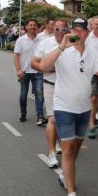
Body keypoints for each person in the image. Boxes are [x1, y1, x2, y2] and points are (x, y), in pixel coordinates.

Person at [38, 17, 98, 196]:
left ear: (87, 33)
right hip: (63, 107)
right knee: (68, 149)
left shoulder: (93, 53)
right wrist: (62, 46)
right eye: (75, 30)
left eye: (82, 30)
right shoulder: (63, 51)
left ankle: (64, 173)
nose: (79, 34)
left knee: (75, 149)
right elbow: (44, 66)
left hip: (83, 109)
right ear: (70, 32)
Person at [31, 19, 67, 168]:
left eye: (63, 29)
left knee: (63, 119)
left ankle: (61, 144)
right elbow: (34, 63)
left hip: (68, 87)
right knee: (52, 119)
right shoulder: (45, 43)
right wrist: (46, 68)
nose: (59, 31)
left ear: (67, 30)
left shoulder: (73, 42)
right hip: (50, 84)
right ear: (52, 29)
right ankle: (52, 153)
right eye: (56, 28)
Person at [13, 19, 45, 124]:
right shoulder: (21, 40)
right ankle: (23, 114)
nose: (32, 27)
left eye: (34, 25)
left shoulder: (41, 40)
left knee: (39, 94)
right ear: (26, 27)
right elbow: (16, 56)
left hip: (38, 72)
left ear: (37, 27)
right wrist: (18, 70)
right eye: (30, 25)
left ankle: (40, 116)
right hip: (24, 72)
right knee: (23, 94)